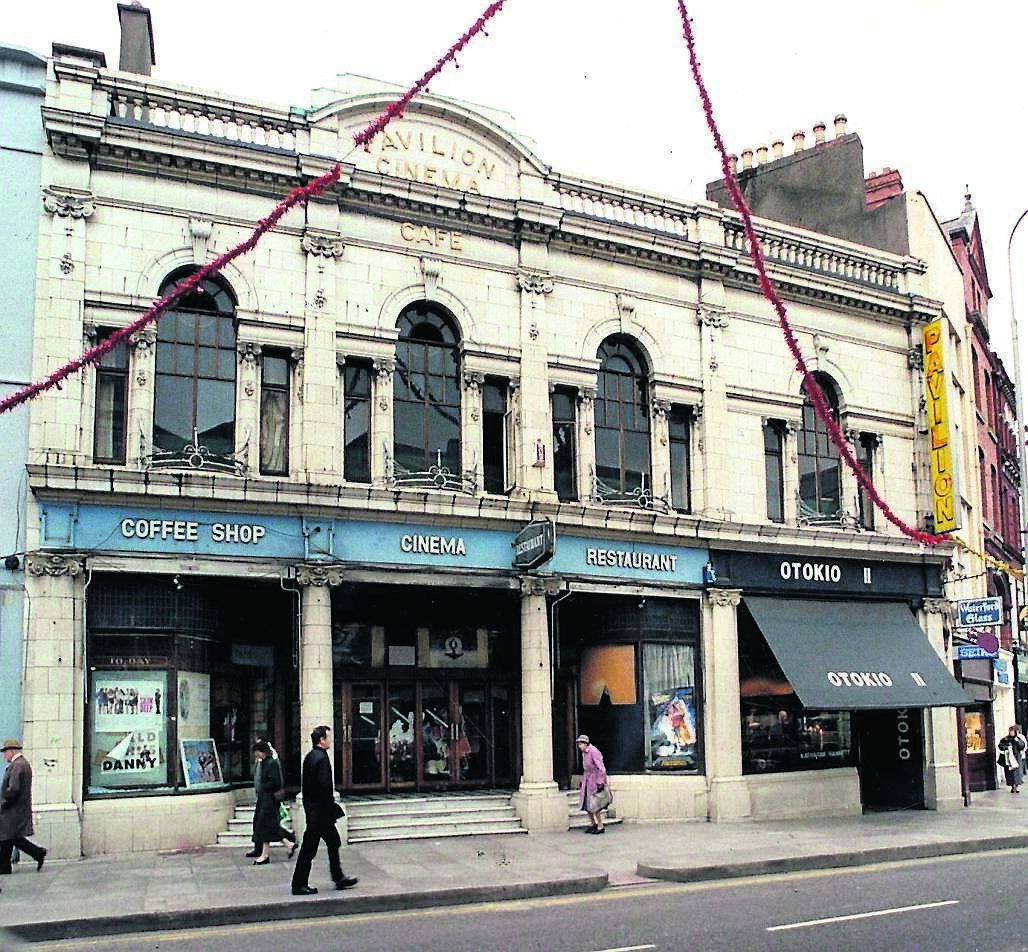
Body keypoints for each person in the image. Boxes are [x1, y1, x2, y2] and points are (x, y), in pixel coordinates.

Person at [290, 726, 358, 895]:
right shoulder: (320, 758)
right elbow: (324, 787)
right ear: (321, 740)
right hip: (320, 814)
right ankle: (299, 884)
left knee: (334, 842)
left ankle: (338, 877)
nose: (330, 741)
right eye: (328, 737)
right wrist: (329, 809)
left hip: (317, 812)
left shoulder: (311, 756)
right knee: (309, 849)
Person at [0, 739, 47, 875]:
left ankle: (37, 852)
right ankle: (5, 866)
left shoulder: (17, 765)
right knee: (8, 837)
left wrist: (4, 801)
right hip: (17, 809)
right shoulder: (22, 764)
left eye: (5, 752)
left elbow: (13, 788)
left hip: (13, 809)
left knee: (9, 836)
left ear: (11, 751)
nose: (4, 756)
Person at [247, 741, 296, 865]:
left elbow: (276, 782)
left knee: (265, 826)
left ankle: (265, 855)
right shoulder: (264, 762)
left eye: (256, 752)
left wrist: (263, 787)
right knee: (268, 827)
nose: (255, 755)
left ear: (260, 751)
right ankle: (287, 845)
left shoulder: (271, 763)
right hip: (265, 798)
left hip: (269, 799)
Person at [576, 734, 610, 834]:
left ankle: (600, 825)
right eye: (579, 744)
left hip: (594, 780)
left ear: (585, 743)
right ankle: (592, 823)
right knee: (587, 804)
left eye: (580, 744)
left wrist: (600, 782)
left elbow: (601, 768)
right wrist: (582, 779)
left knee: (594, 804)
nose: (579, 746)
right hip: (587, 780)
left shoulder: (593, 751)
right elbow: (586, 768)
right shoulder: (584, 753)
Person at [997, 724, 1026, 794]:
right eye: (1010, 731)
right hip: (1008, 758)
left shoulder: (1017, 738)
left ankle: (1016, 786)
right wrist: (1005, 747)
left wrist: (1017, 741)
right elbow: (1000, 745)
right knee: (1010, 773)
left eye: (1012, 731)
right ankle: (1012, 786)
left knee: (1017, 773)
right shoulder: (1005, 739)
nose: (1011, 732)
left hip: (1016, 758)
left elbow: (1022, 746)